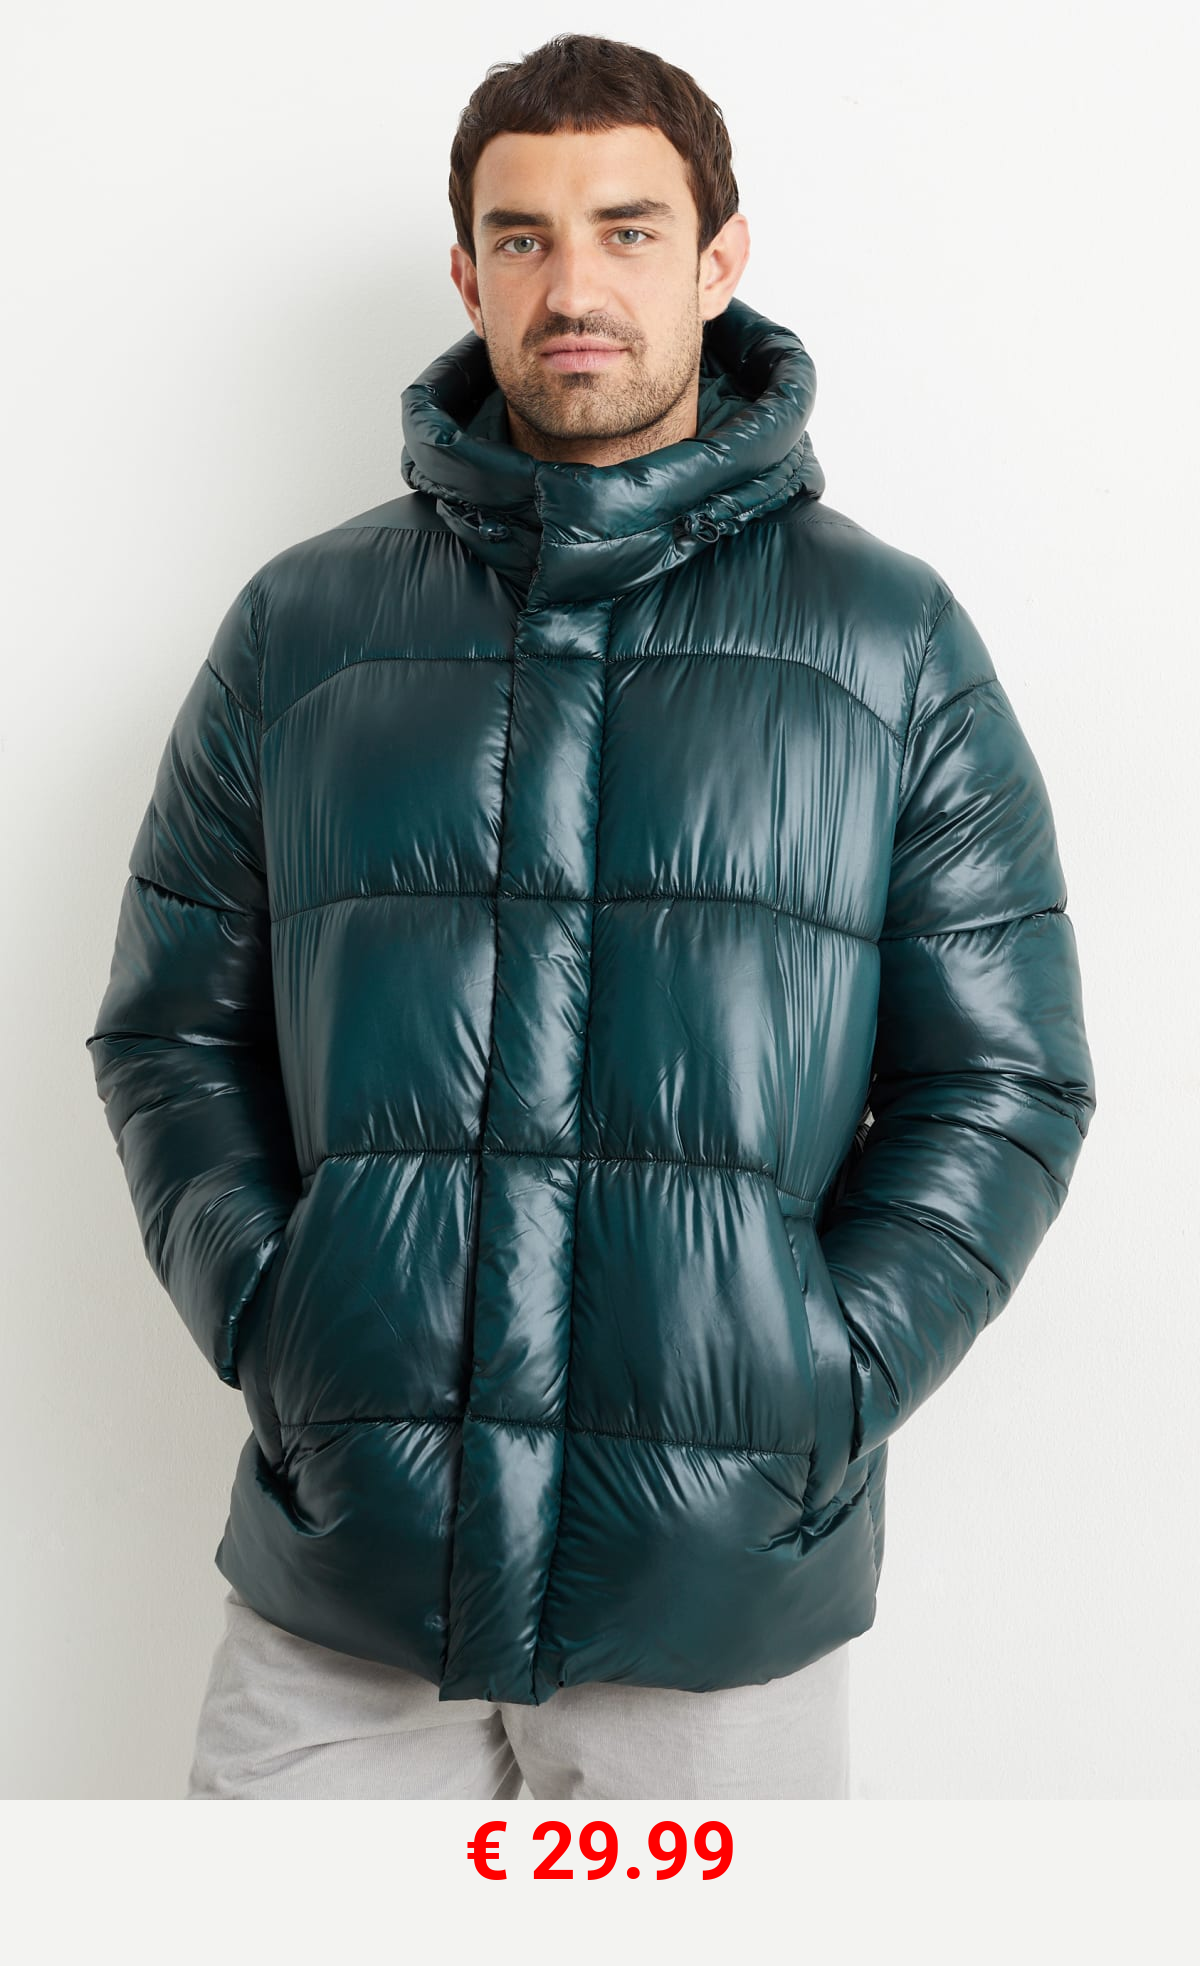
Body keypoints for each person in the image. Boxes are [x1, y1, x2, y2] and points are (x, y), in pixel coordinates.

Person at [85, 33, 1097, 1802]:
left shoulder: (889, 643)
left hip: (712, 1599)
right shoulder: (302, 630)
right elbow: (171, 1028)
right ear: (466, 271)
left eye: (628, 230)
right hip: (348, 1585)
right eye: (525, 236)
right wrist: (278, 1322)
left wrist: (814, 1379)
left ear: (718, 259)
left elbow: (1005, 1081)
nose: (574, 287)